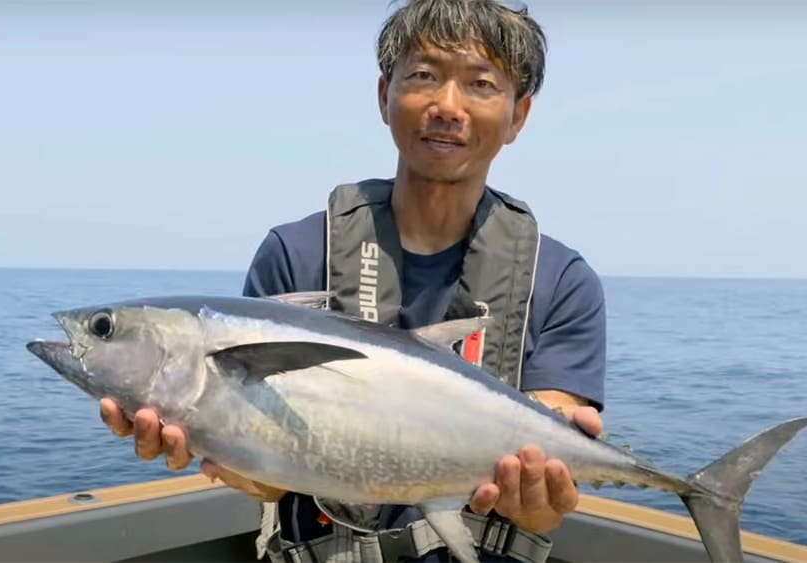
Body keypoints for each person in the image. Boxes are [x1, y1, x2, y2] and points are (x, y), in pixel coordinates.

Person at [100, 0, 607, 561]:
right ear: (384, 96)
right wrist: (212, 444)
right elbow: (270, 482)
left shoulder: (560, 281)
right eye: (423, 76)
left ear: (518, 115)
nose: (447, 105)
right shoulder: (295, 254)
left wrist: (536, 495)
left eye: (481, 84)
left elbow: (544, 507)